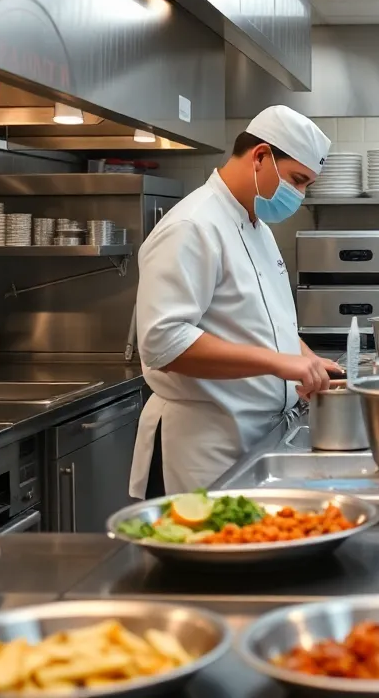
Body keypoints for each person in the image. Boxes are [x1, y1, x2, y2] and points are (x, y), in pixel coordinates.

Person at [128, 105, 342, 499]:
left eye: (307, 184)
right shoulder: (192, 226)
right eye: (297, 179)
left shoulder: (257, 226)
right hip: (205, 447)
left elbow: (267, 321)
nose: (300, 194)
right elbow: (163, 342)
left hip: (256, 440)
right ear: (260, 156)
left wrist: (306, 362)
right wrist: (281, 364)